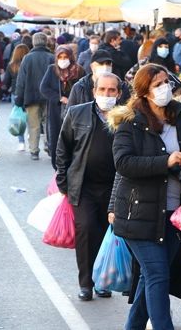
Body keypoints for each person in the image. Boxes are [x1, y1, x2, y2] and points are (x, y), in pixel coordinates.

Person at [108, 63, 181, 330]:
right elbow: (124, 163)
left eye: (166, 82)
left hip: (175, 217)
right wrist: (165, 161)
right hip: (138, 215)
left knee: (150, 278)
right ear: (144, 92)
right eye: (157, 84)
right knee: (158, 275)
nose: (164, 88)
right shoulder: (130, 122)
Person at [55, 72, 123, 301]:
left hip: (114, 188)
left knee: (107, 234)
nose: (106, 94)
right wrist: (63, 182)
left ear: (119, 93)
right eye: (102, 90)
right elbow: (63, 148)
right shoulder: (77, 113)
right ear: (94, 91)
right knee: (86, 231)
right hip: (83, 186)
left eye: (111, 90)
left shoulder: (126, 117)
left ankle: (103, 281)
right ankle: (86, 283)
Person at [40, 45, 85, 169]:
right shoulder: (52, 70)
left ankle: (72, 167)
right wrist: (59, 98)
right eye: (60, 57)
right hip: (56, 110)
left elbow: (84, 89)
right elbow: (44, 88)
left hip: (75, 110)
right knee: (55, 138)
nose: (63, 60)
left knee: (72, 139)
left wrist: (72, 98)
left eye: (66, 57)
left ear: (71, 57)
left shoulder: (79, 71)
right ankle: (57, 168)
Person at [15, 32, 55, 161]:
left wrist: (19, 97)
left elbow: (21, 80)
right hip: (49, 96)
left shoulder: (27, 58)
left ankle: (34, 150)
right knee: (48, 123)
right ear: (45, 42)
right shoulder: (51, 57)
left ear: (34, 42)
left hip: (31, 95)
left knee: (33, 124)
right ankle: (49, 146)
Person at [3, 44, 30, 151]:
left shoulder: (11, 65)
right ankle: (30, 135)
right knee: (30, 117)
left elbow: (6, 82)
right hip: (29, 93)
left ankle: (21, 142)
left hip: (16, 93)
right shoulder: (29, 64)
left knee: (18, 118)